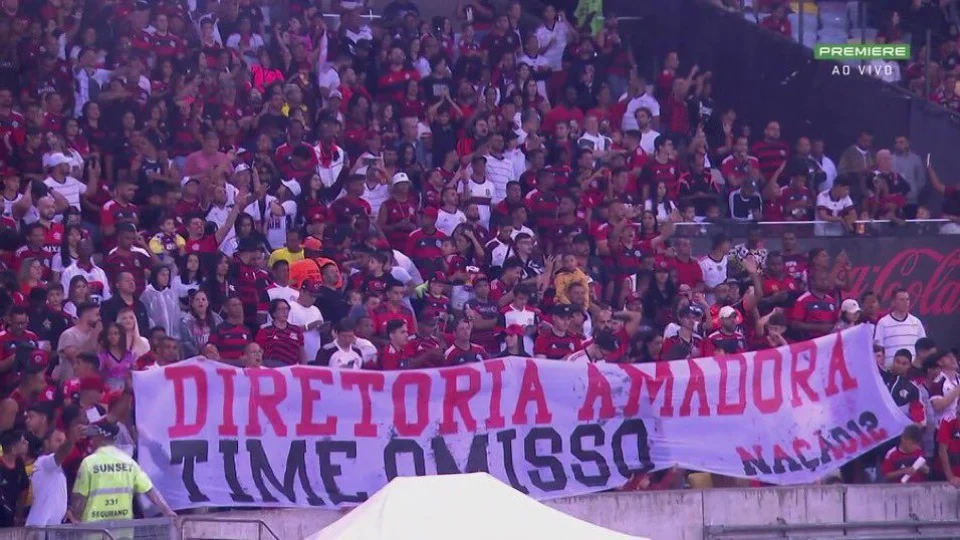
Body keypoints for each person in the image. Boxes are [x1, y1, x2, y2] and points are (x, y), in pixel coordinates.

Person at [70, 421, 176, 522]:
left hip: (94, 529)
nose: (91, 441)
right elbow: (149, 490)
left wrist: (75, 518)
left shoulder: (88, 463)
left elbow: (79, 498)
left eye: (93, 437)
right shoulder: (129, 462)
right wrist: (167, 511)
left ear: (101, 437)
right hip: (124, 527)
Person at [25, 422, 81, 526]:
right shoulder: (44, 462)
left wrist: (66, 509)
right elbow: (60, 454)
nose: (62, 444)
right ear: (46, 443)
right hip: (39, 528)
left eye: (64, 441)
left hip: (51, 529)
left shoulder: (59, 469)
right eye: (58, 441)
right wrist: (72, 439)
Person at [875, 289, 927, 367]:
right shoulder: (883, 323)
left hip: (912, 369)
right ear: (893, 302)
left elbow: (923, 347)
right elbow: (878, 348)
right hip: (891, 369)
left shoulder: (916, 322)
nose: (906, 303)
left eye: (907, 299)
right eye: (902, 300)